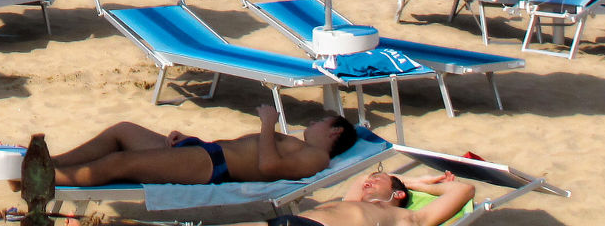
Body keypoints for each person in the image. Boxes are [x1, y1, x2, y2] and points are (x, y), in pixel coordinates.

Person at [45, 107, 354, 187]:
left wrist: (267, 124)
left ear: (334, 132)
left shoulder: (316, 156)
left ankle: (43, 178)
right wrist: (189, 140)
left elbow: (269, 167)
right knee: (123, 132)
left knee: (120, 163)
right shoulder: (296, 145)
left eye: (319, 122)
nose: (312, 124)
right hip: (202, 152)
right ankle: (51, 162)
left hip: (212, 165)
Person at [268, 169, 475, 226]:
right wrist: (413, 181)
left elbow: (464, 189)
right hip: (285, 222)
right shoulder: (351, 202)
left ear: (398, 194)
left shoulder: (407, 218)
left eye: (378, 180)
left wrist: (424, 186)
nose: (369, 182)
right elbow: (361, 178)